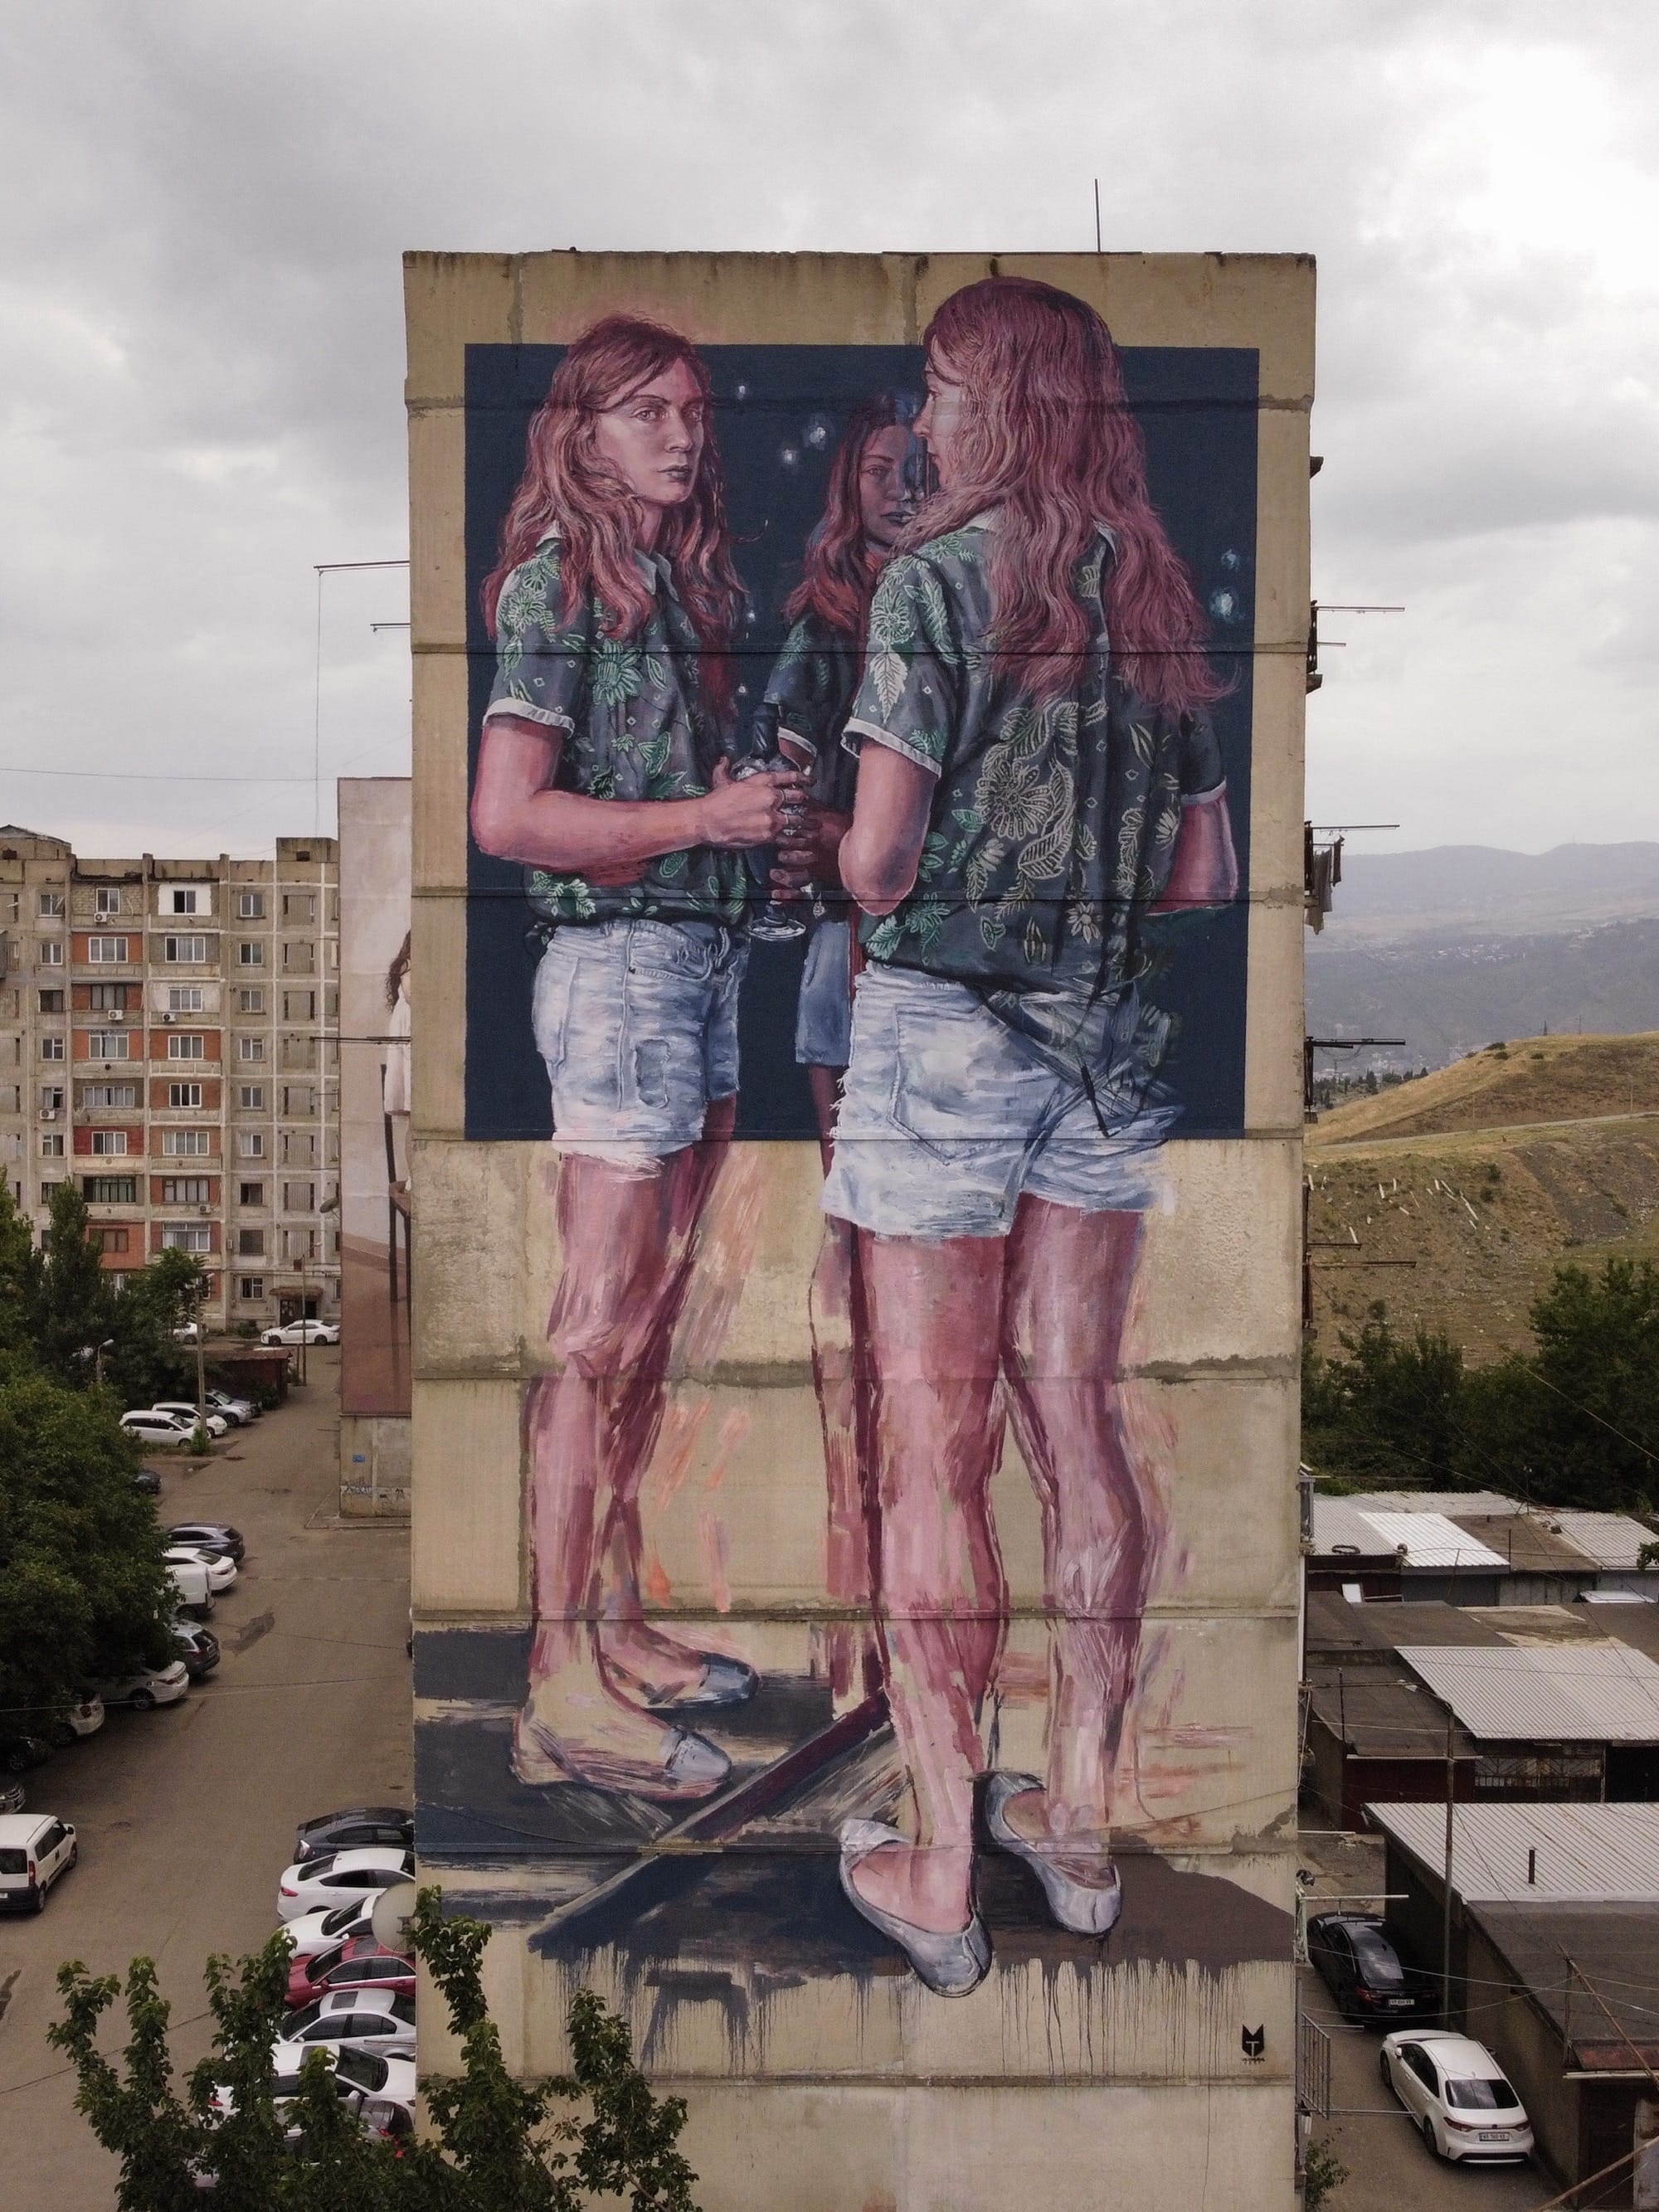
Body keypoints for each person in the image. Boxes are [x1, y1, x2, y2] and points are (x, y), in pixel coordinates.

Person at [823, 275, 1240, 1993]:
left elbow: (875, 860)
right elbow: (1205, 873)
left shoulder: (933, 582)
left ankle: (938, 1866)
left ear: (997, 401)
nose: (924, 419)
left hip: (945, 1045)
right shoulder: (1149, 591)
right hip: (1108, 1056)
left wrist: (879, 863)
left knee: (934, 1452)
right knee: (1077, 1428)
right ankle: (1073, 1823)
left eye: (940, 388)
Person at [470, 314, 808, 1802]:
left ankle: (611, 1628)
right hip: (617, 975)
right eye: (647, 411)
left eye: (691, 412)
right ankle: (557, 1686)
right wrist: (700, 822)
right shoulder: (556, 582)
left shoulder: (666, 581)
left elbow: (652, 795)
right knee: (595, 1340)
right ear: (584, 432)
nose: (681, 434)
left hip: (695, 968)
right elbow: (508, 817)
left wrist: (743, 821)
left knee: (646, 1334)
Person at [758, 396, 920, 1704]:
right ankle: (857, 1598)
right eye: (879, 467)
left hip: (965, 989)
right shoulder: (827, 623)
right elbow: (787, 805)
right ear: (849, 487)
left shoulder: (987, 604)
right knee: (863, 1281)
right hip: (853, 969)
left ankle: (911, 1606)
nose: (901, 484)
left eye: (920, 465)